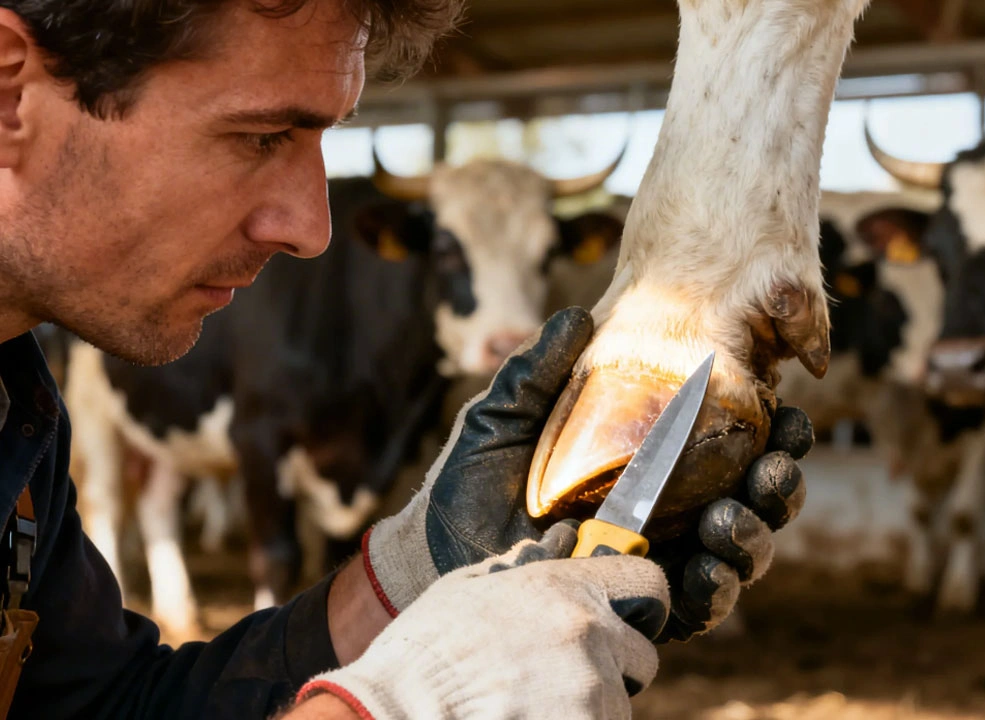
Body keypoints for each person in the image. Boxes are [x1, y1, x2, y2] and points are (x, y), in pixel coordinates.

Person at [0, 1, 816, 718]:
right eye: (260, 136)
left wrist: (423, 569)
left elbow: (115, 707)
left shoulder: (18, 410)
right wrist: (400, 707)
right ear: (8, 93)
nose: (312, 229)